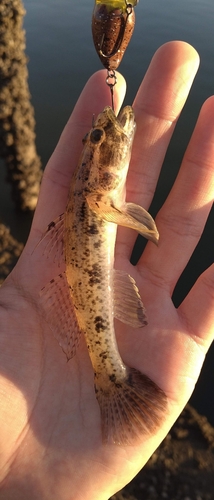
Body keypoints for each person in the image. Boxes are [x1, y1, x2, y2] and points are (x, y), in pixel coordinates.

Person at [0, 40, 213, 499]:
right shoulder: (99, 197)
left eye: (101, 136)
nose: (106, 135)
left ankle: (109, 376)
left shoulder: (99, 195)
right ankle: (108, 377)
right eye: (98, 139)